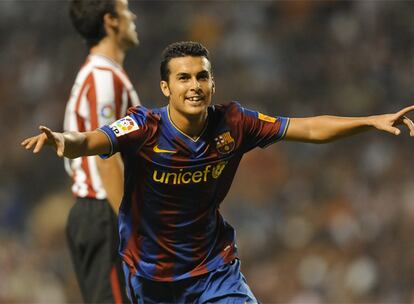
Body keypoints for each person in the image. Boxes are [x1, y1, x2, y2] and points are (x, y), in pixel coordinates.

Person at [22, 41, 414, 303]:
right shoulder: (143, 127)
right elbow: (97, 139)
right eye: (184, 78)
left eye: (202, 76)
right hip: (152, 279)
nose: (195, 86)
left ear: (212, 82)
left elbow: (306, 128)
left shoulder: (235, 122)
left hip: (214, 271)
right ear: (165, 87)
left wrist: (369, 120)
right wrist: (64, 140)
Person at [62, 0, 140, 302]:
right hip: (105, 213)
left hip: (98, 213)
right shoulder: (102, 78)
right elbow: (105, 156)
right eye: (125, 10)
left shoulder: (99, 74)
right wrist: (134, 227)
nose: (132, 16)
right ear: (110, 21)